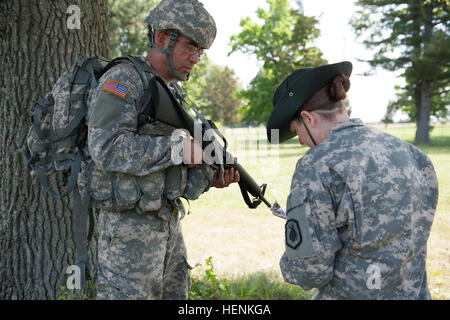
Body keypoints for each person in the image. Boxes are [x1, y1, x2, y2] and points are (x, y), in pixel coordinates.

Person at [80, 0, 239, 300]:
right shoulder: (123, 79)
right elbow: (105, 147)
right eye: (191, 47)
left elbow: (166, 170)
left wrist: (209, 177)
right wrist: (177, 149)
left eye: (201, 52)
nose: (196, 58)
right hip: (128, 235)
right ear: (163, 38)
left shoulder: (170, 91)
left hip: (167, 226)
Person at [266, 61, 439, 299]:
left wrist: (293, 256)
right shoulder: (413, 155)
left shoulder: (317, 164)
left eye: (297, 132)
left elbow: (308, 271)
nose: (300, 141)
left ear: (308, 118)